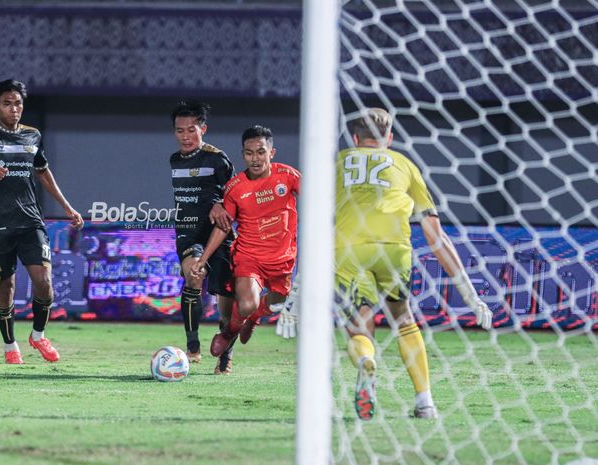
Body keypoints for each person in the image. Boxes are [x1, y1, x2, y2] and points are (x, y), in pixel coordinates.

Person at [336, 108, 493, 420]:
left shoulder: (339, 161)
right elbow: (435, 235)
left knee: (359, 324)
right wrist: (469, 293)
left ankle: (367, 360)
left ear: (355, 138)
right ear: (389, 138)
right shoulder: (405, 164)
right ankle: (425, 402)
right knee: (404, 319)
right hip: (395, 249)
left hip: (351, 249)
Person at [0, 79, 84, 364]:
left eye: (18, 103)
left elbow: (43, 172)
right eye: (7, 103)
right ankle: (10, 345)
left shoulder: (32, 136)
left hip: (30, 221)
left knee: (45, 281)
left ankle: (38, 336)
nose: (14, 109)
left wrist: (67, 206)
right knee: (6, 288)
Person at [190, 125, 300, 366]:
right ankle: (228, 333)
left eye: (261, 152)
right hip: (249, 257)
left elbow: (317, 198)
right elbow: (222, 226)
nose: (255, 158)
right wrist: (203, 258)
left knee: (278, 302)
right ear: (243, 155)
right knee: (247, 303)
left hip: (283, 259)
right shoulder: (235, 188)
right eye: (249, 153)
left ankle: (255, 317)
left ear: (271, 153)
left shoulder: (289, 176)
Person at [169, 100, 236, 374]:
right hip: (188, 232)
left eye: (191, 130)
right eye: (180, 130)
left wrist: (221, 202)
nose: (185, 136)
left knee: (226, 304)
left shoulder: (218, 159)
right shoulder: (174, 160)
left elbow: (233, 196)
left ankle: (224, 357)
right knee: (193, 274)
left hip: (219, 235)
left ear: (203, 129)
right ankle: (192, 346)